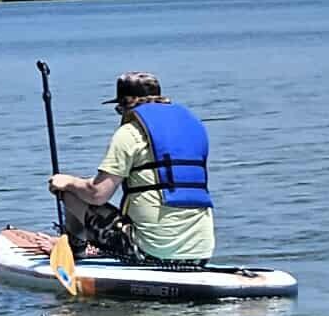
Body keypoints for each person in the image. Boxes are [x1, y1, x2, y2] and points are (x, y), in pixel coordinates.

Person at [47, 72, 214, 265]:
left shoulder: (129, 134)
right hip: (201, 252)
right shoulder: (194, 130)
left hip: (150, 252)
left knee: (71, 193)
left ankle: (76, 249)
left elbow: (97, 194)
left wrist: (68, 182)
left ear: (126, 105)